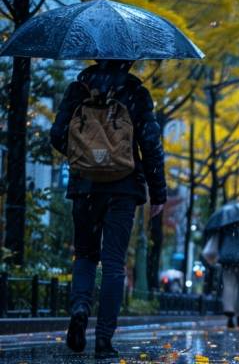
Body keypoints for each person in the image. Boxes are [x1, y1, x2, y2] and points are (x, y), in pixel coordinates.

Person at [50, 60, 166, 358]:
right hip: (123, 188)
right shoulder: (135, 92)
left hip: (85, 186)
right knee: (114, 264)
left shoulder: (79, 88)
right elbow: (150, 144)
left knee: (85, 255)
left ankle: (79, 309)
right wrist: (158, 193)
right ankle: (103, 341)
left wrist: (88, 154)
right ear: (128, 60)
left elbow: (57, 135)